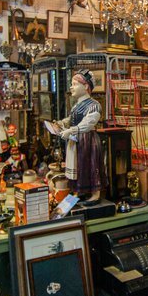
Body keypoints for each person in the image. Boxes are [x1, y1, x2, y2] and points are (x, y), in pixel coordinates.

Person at [46, 70, 102, 201]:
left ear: (86, 86)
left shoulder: (94, 105)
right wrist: (61, 123)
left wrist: (71, 130)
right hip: (76, 139)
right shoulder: (77, 105)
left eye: (75, 84)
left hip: (87, 140)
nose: (71, 87)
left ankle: (95, 193)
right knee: (77, 165)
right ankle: (79, 190)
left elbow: (88, 123)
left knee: (89, 165)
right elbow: (71, 119)